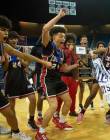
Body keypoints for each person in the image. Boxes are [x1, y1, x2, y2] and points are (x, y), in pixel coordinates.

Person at [0, 15, 51, 140]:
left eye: (7, 30)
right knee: (10, 109)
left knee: (9, 112)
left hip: (21, 78)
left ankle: (16, 132)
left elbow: (24, 56)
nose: (5, 33)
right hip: (10, 79)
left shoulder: (3, 47)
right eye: (2, 29)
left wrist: (43, 62)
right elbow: (6, 68)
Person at [35, 9, 79, 140]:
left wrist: (75, 65)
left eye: (64, 37)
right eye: (60, 35)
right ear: (53, 37)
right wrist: (59, 16)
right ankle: (40, 133)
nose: (63, 38)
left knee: (68, 101)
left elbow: (64, 69)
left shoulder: (61, 52)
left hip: (57, 79)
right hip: (47, 79)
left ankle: (61, 121)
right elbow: (45, 28)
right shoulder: (48, 46)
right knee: (53, 106)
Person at [5, 31, 38, 130]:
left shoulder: (22, 49)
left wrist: (21, 58)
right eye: (11, 38)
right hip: (11, 79)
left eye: (15, 38)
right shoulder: (4, 50)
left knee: (33, 98)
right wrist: (6, 59)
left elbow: (26, 64)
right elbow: (6, 68)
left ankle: (31, 120)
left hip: (23, 78)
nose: (14, 40)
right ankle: (14, 127)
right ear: (8, 40)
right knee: (11, 105)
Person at [56, 33, 79, 117]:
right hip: (63, 76)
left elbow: (77, 62)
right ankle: (57, 112)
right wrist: (69, 50)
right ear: (65, 42)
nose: (70, 44)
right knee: (61, 96)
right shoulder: (61, 49)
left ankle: (72, 111)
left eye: (72, 42)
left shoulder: (74, 51)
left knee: (73, 95)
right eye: (69, 42)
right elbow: (63, 58)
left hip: (73, 77)